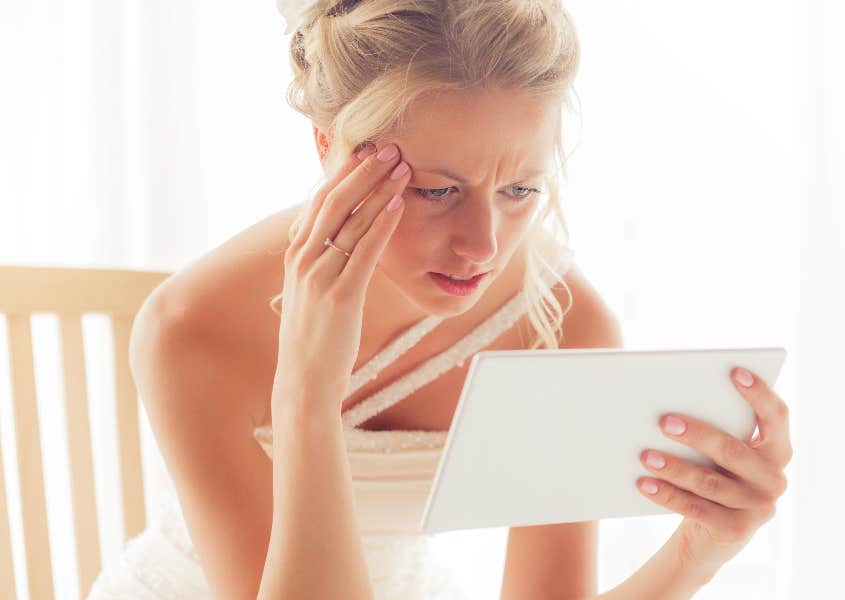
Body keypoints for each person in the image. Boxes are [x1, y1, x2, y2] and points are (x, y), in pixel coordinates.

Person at [87, 0, 793, 598]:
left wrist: (695, 554)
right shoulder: (194, 328)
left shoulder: (560, 326)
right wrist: (306, 391)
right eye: (436, 191)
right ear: (327, 146)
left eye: (520, 189)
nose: (483, 246)